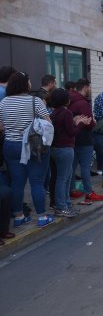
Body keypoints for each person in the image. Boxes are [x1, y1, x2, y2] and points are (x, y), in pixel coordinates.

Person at [0, 72, 55, 228]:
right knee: (36, 182)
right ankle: (42, 217)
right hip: (33, 145)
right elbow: (48, 123)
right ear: (25, 84)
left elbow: (1, 126)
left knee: (17, 182)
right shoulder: (35, 101)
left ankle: (18, 216)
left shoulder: (3, 102)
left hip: (11, 145)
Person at [49, 88, 92, 218]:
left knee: (62, 178)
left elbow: (62, 128)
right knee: (63, 179)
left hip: (55, 148)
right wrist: (82, 123)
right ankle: (62, 206)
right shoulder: (66, 112)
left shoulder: (54, 113)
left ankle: (66, 204)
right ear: (65, 100)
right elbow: (72, 132)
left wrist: (75, 121)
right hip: (65, 149)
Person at [69, 78, 103, 202]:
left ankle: (72, 189)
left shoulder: (70, 100)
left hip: (73, 138)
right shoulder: (83, 103)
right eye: (89, 87)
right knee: (85, 167)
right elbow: (89, 123)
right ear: (84, 87)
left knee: (72, 167)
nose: (90, 89)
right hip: (84, 139)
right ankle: (89, 192)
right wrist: (92, 122)